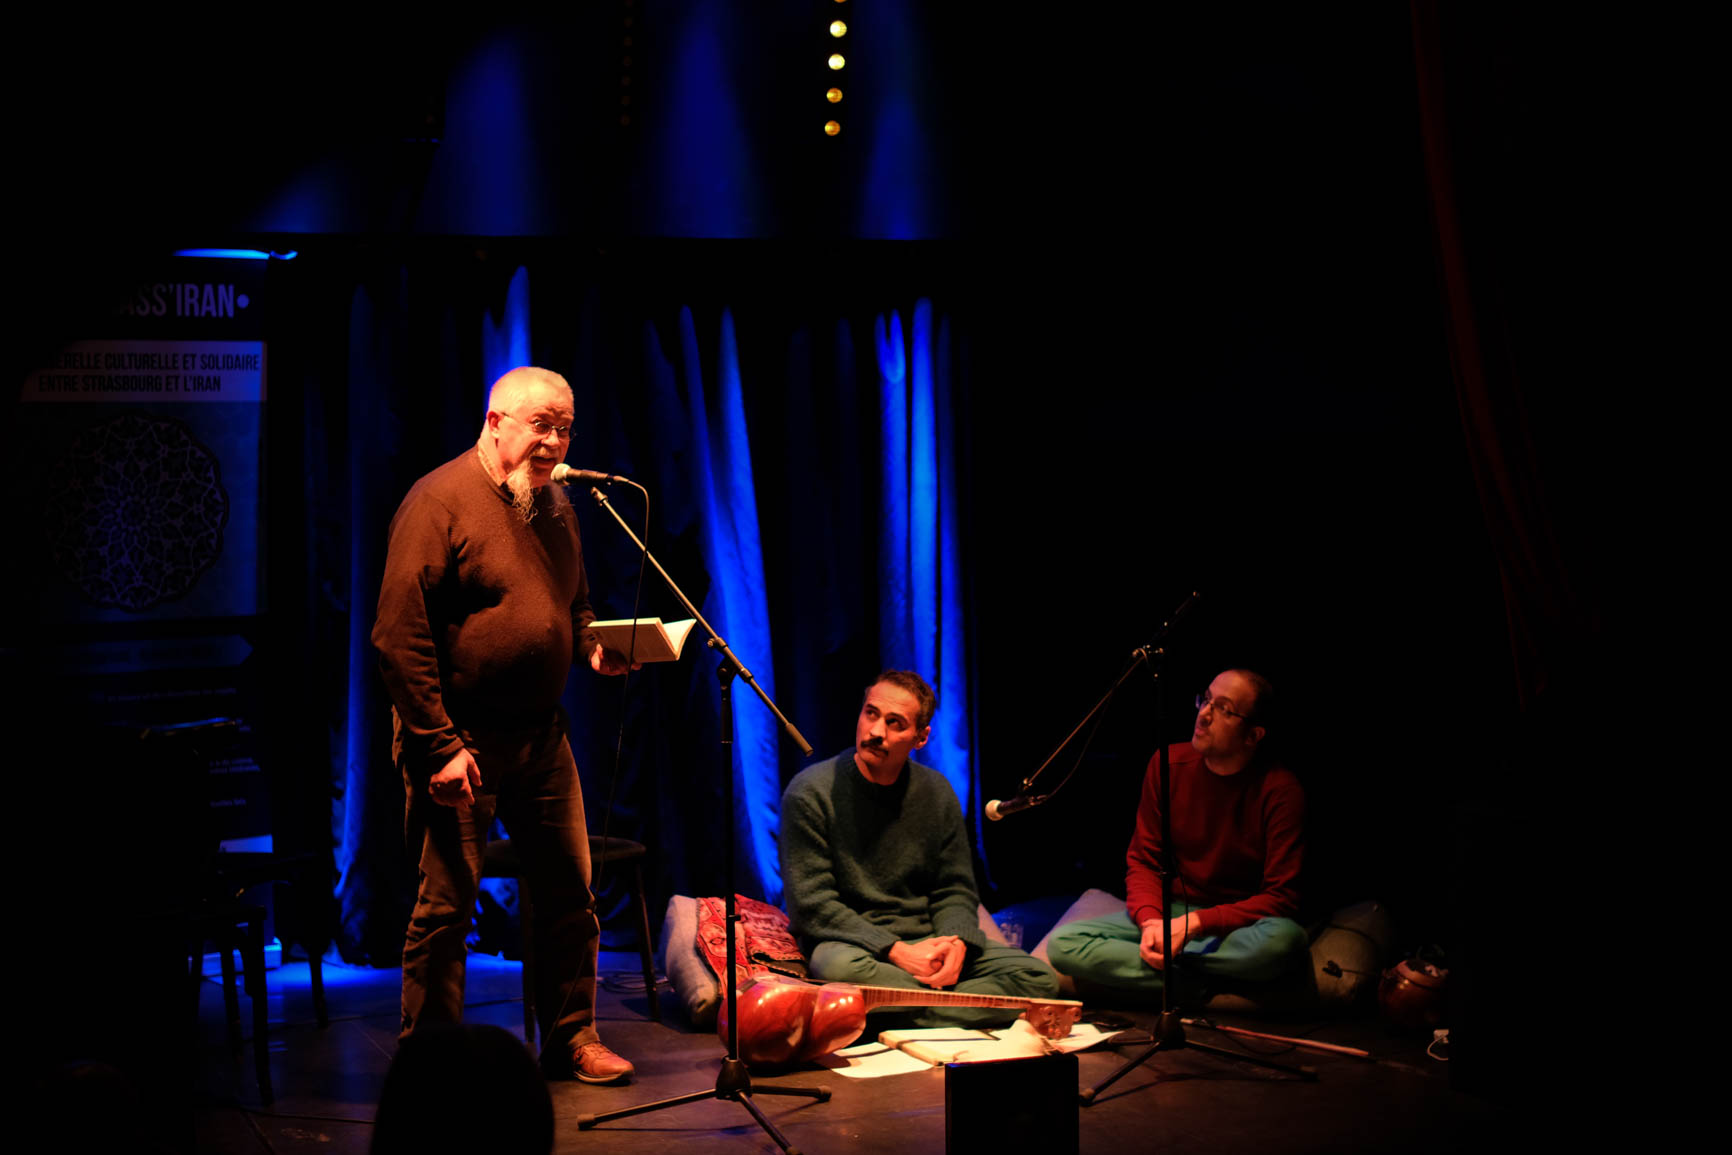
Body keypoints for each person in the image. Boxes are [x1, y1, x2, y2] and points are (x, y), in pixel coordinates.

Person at [373, 366, 635, 1083]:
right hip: (458, 739)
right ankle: (431, 1063)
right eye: (540, 425)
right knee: (446, 907)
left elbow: (573, 603)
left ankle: (572, 1036)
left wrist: (592, 644)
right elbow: (398, 637)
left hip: (540, 737)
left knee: (569, 892)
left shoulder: (556, 504)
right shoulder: (438, 501)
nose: (554, 442)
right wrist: (439, 745)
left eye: (565, 428)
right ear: (495, 423)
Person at [779, 670, 1060, 1028]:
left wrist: (955, 944)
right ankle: (958, 1008)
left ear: (921, 737)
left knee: (1039, 979)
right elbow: (813, 905)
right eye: (871, 713)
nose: (876, 731)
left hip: (930, 942)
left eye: (894, 723)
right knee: (836, 969)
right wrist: (896, 951)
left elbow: (954, 888)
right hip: (856, 946)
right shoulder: (810, 792)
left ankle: (899, 1011)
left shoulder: (936, 791)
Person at [1046, 668, 1309, 1002]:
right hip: (1172, 913)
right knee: (1064, 944)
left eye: (1224, 709)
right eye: (1205, 700)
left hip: (1237, 925)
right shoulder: (1167, 764)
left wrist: (1197, 923)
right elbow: (1144, 861)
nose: (1204, 714)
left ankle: (1174, 978)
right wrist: (1151, 924)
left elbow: (1281, 897)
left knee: (1285, 943)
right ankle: (1199, 983)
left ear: (1253, 735)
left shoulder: (1280, 790)